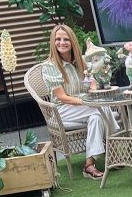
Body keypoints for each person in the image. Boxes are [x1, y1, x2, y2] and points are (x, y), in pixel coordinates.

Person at [39, 25, 119, 180]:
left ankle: (89, 165)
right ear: (53, 42)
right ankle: (114, 148)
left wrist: (93, 92)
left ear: (72, 42)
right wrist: (87, 101)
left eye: (66, 39)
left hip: (85, 107)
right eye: (58, 39)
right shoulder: (50, 66)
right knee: (100, 109)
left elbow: (93, 83)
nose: (62, 42)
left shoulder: (82, 60)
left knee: (96, 117)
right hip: (62, 110)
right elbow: (62, 97)